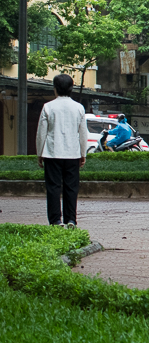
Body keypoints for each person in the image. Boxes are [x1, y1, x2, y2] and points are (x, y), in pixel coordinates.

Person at [36, 73, 88, 229]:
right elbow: (83, 133)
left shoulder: (48, 107)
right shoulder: (79, 108)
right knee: (71, 187)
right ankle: (71, 219)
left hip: (52, 152)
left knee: (53, 187)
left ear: (55, 89)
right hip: (72, 153)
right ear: (71, 88)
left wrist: (39, 153)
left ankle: (55, 221)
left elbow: (41, 133)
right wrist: (83, 154)